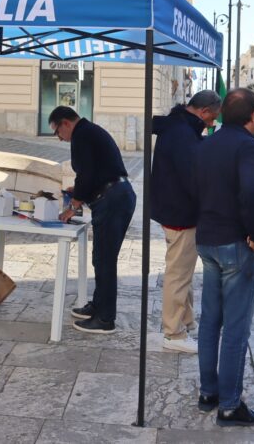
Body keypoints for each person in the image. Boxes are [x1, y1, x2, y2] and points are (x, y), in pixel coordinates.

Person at [193, 88, 254, 427]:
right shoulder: (247, 146)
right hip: (236, 243)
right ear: (252, 116)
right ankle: (229, 404)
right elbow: (251, 191)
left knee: (211, 321)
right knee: (236, 328)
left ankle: (209, 392)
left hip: (208, 239)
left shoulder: (207, 142)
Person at [50, 106, 136, 333]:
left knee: (105, 260)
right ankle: (98, 306)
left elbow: (86, 173)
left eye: (58, 131)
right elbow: (92, 173)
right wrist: (78, 189)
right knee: (101, 258)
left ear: (66, 123)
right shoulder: (88, 131)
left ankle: (105, 319)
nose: (59, 138)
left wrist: (73, 206)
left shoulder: (81, 135)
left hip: (112, 199)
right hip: (117, 194)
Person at [151, 90, 222, 353]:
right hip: (179, 211)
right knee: (178, 273)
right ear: (203, 112)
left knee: (184, 270)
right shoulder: (183, 133)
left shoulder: (178, 125)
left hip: (174, 208)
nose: (212, 124)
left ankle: (186, 320)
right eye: (211, 118)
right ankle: (173, 333)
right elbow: (192, 177)